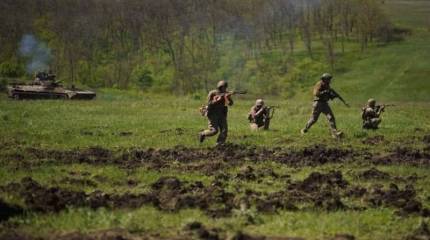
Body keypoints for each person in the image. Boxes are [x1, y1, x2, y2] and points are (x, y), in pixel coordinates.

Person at [301, 73, 348, 138]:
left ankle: (334, 133)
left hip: (325, 104)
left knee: (331, 117)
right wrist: (325, 92)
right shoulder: (319, 84)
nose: (329, 80)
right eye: (328, 79)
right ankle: (305, 129)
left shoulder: (327, 86)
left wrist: (336, 98)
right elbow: (316, 93)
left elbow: (335, 94)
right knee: (314, 119)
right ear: (324, 79)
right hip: (318, 104)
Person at [199, 80, 234, 145]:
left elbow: (230, 104)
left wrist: (227, 98)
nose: (224, 88)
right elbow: (209, 104)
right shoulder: (212, 93)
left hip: (222, 113)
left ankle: (219, 144)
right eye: (223, 87)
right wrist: (217, 100)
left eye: (225, 87)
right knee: (214, 131)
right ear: (219, 87)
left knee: (224, 130)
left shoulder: (226, 94)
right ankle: (203, 133)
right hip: (213, 114)